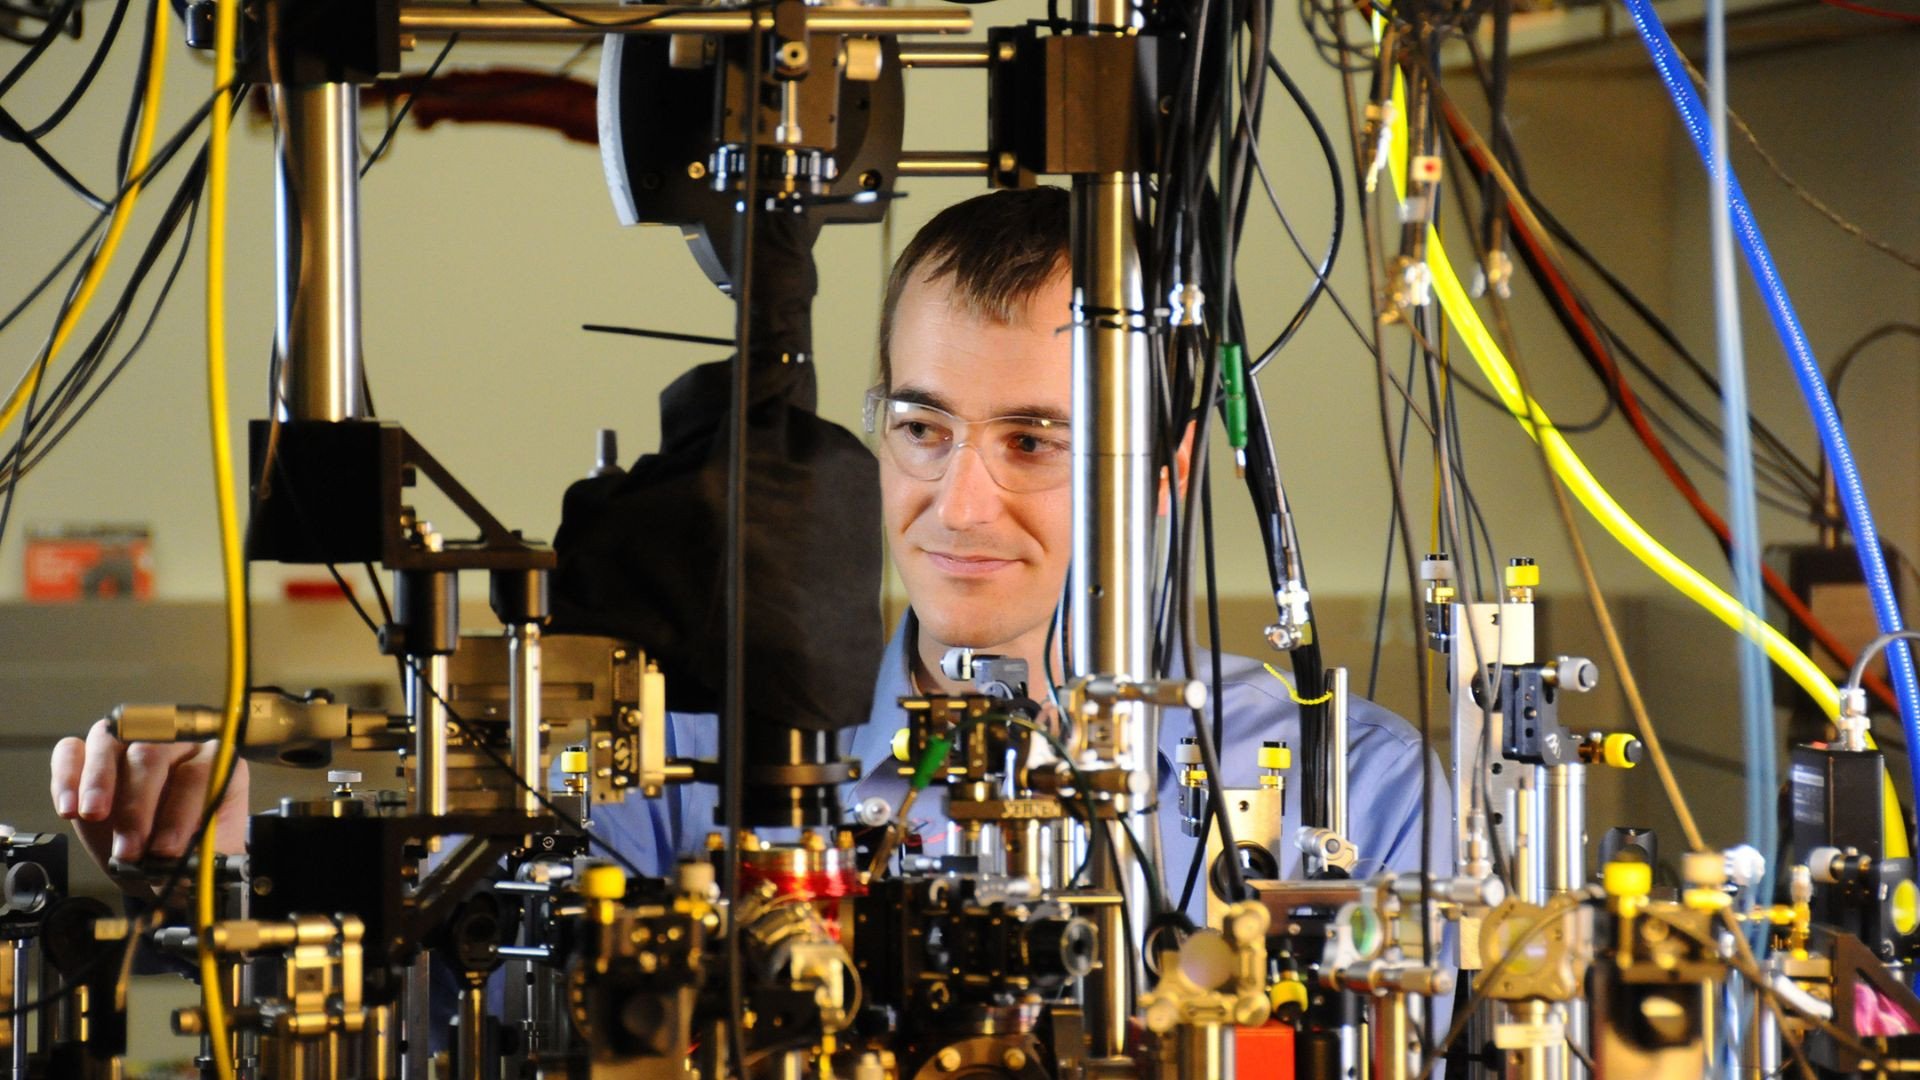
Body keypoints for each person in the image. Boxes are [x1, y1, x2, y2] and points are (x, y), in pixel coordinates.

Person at [47, 186, 1449, 923]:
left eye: (1034, 439)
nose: (957, 504)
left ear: (1166, 473)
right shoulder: (686, 757)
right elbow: (429, 925)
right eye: (919, 428)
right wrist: (207, 839)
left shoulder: (1355, 795)